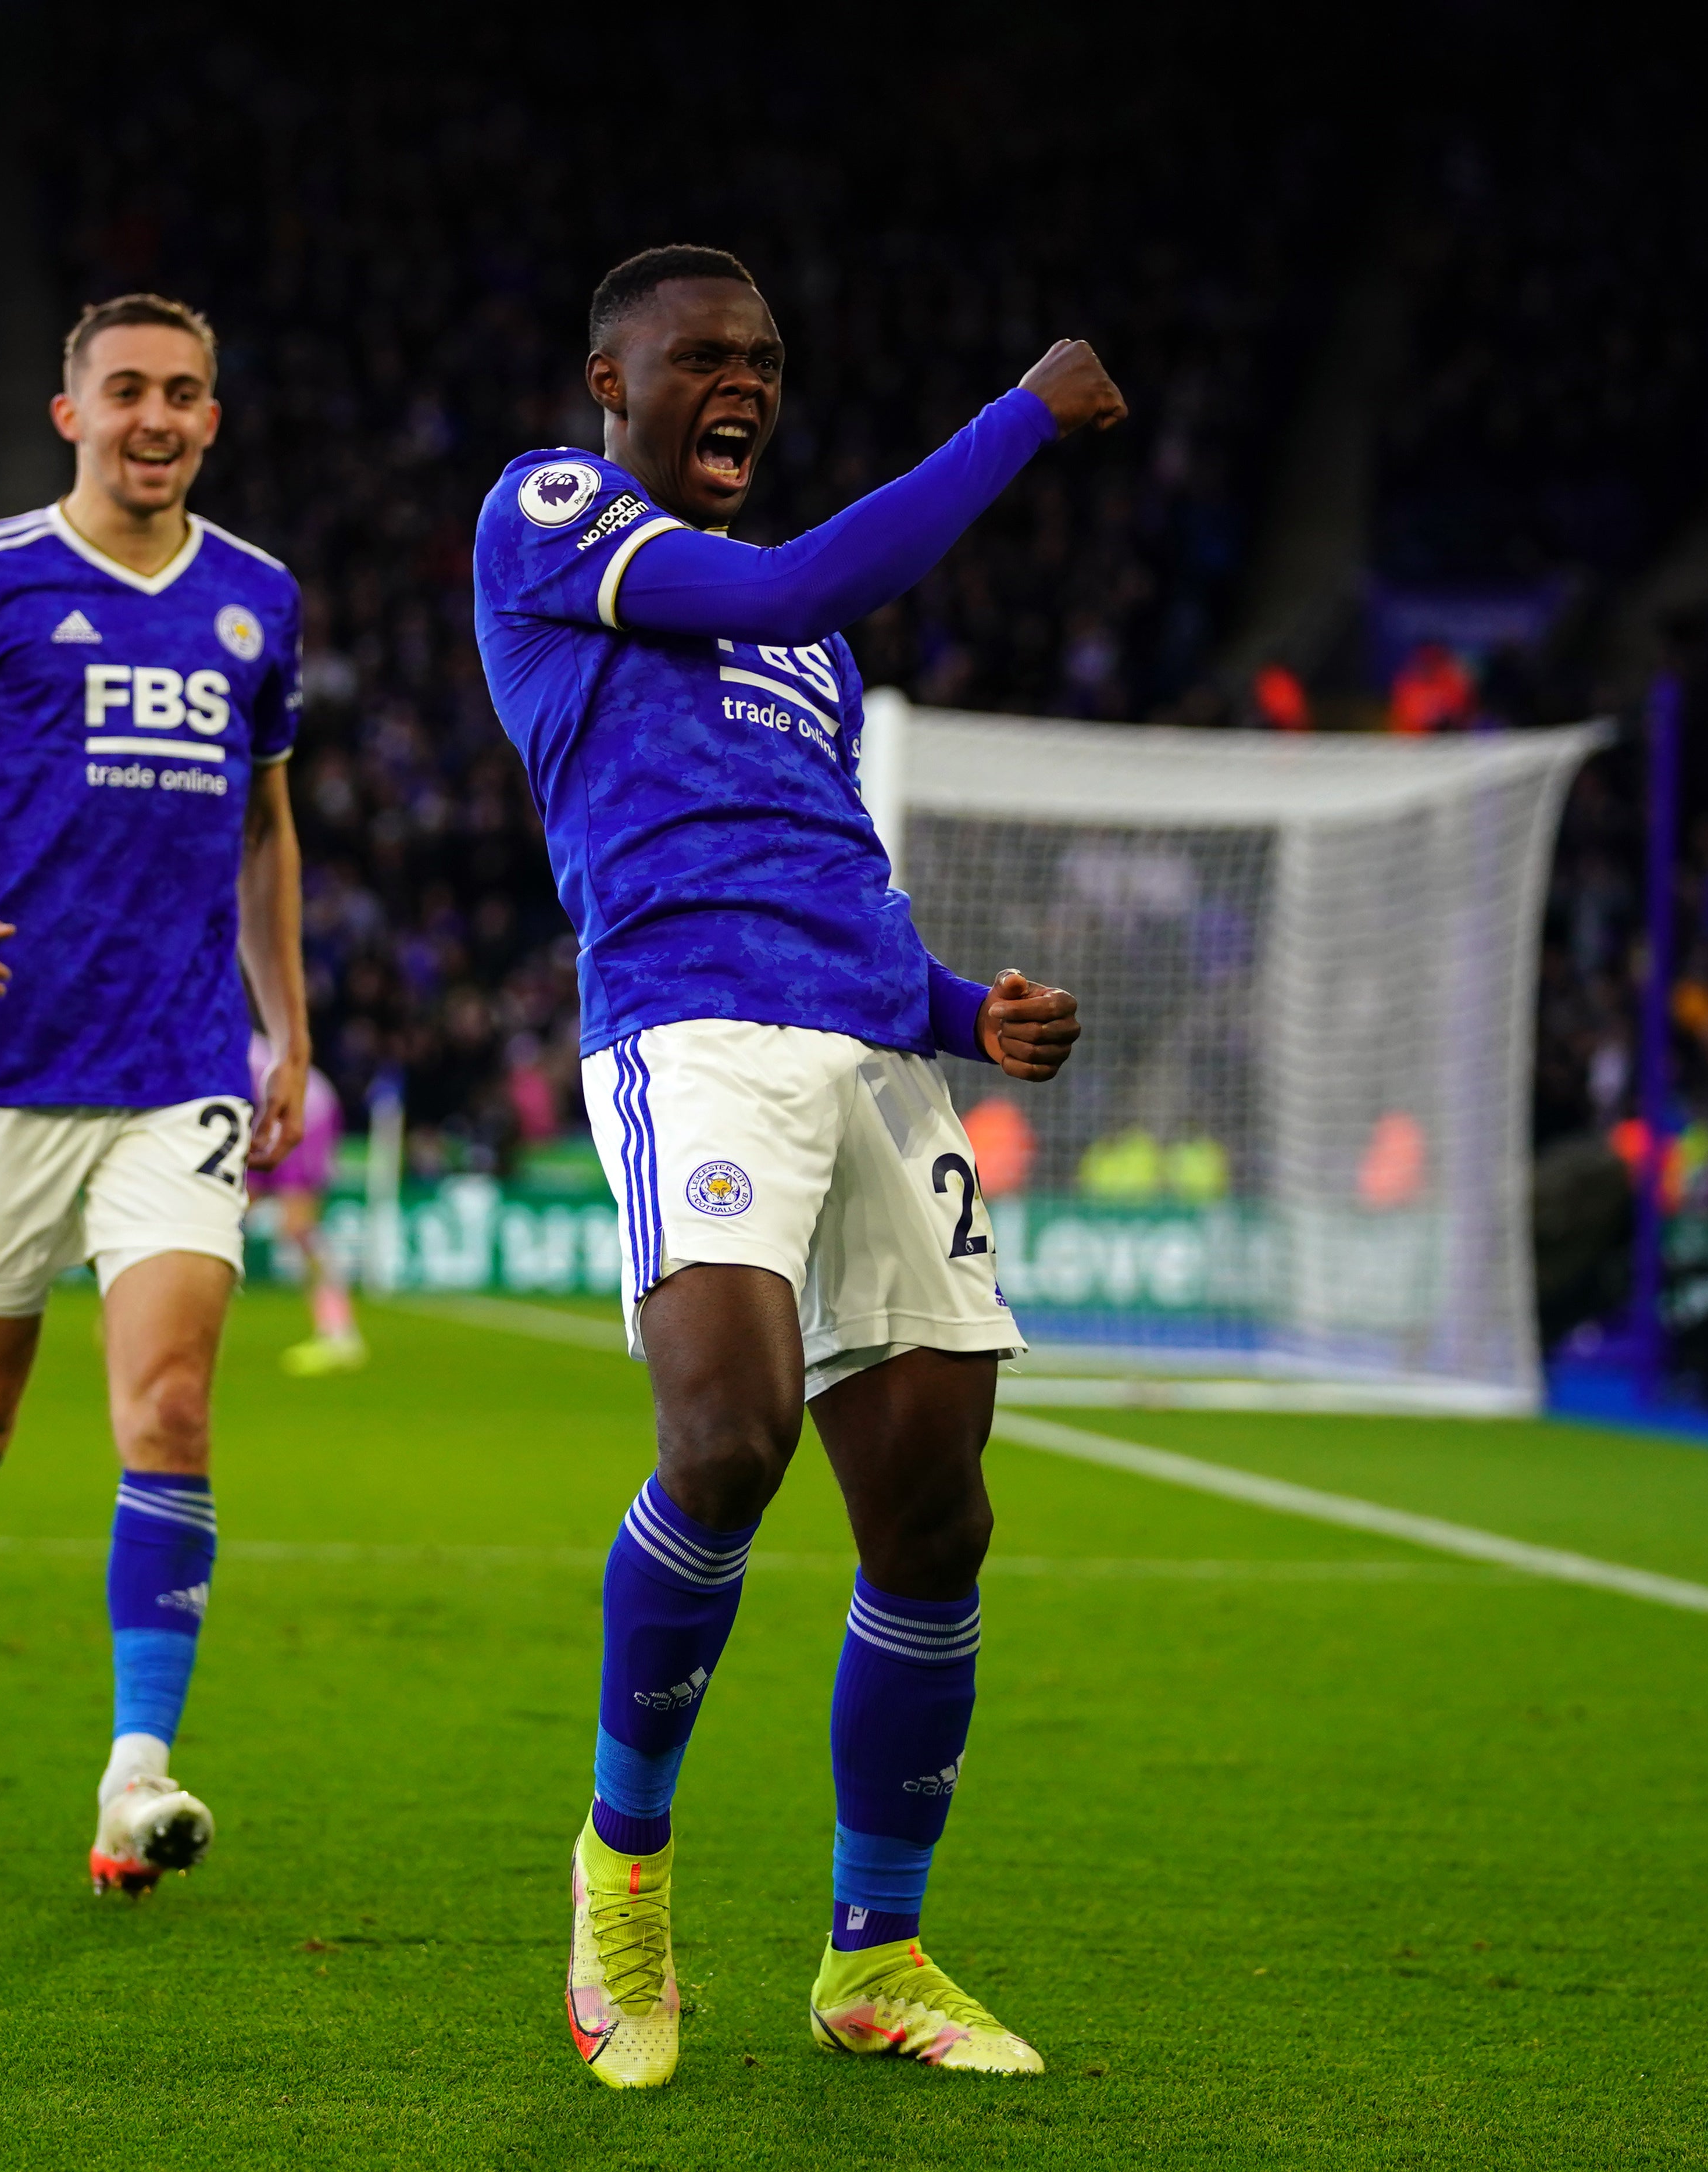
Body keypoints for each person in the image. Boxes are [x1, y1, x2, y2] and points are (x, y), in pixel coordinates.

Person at [473, 244, 1114, 2087]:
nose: (737, 382)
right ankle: (623, 1868)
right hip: (690, 1033)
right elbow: (810, 569)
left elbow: (816, 867)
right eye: (697, 357)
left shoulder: (808, 657)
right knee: (727, 1433)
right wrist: (1021, 413)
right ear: (612, 380)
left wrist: (956, 1009)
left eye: (759, 357)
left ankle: (875, 1951)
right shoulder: (549, 514)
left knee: (934, 1508)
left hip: (867, 1057)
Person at [0, 292, 310, 1896]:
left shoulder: (258, 599)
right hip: (6, 1070)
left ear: (215, 419)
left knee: (168, 1408)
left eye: (183, 394)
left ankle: (136, 1771)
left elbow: (265, 833)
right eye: (126, 393)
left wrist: (285, 1027)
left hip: (178, 1073)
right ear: (69, 412)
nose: (154, 418)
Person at [249, 1028, 361, 1374]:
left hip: (303, 1109)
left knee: (298, 1227)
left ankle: (340, 1334)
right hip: (265, 1114)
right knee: (221, 1214)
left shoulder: (209, 1039)